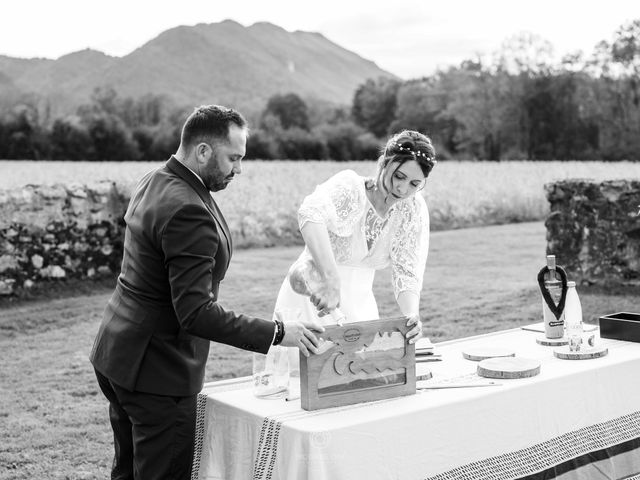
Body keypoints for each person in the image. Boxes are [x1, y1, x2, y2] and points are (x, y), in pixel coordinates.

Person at [89, 105, 323, 480]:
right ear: (202, 151)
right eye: (234, 158)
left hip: (118, 352)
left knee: (127, 471)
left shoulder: (155, 179)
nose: (238, 170)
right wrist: (279, 333)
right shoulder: (188, 210)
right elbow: (196, 312)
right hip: (157, 370)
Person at [273, 129, 436, 377]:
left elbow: (408, 269)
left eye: (415, 184)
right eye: (399, 176)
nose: (402, 189)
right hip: (312, 292)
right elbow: (310, 213)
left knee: (355, 382)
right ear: (384, 163)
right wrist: (331, 279)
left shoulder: (413, 209)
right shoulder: (350, 187)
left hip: (360, 304)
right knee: (303, 385)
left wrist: (410, 316)